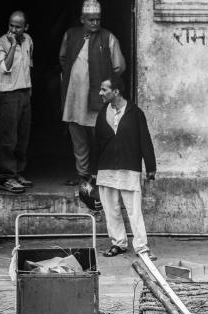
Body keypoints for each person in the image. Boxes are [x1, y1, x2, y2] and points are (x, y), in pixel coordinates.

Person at [60, 0, 125, 187]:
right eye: (91, 20)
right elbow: (63, 59)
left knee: (101, 137)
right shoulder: (70, 35)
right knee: (78, 136)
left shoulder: (108, 37)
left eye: (98, 19)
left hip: (98, 98)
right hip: (74, 98)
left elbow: (119, 67)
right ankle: (82, 174)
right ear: (82, 19)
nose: (95, 23)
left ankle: (99, 175)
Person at [93, 75, 157, 260]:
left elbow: (145, 140)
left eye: (104, 89)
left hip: (129, 168)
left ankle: (141, 247)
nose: (100, 93)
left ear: (116, 91)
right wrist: (92, 171)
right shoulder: (102, 113)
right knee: (110, 209)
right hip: (106, 169)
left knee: (134, 209)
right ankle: (118, 243)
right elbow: (96, 143)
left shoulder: (135, 113)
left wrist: (150, 166)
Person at [0, 11, 33, 194]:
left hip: (24, 94)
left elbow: (28, 66)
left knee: (22, 138)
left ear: (26, 27)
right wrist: (13, 45)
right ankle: (5, 177)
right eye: (11, 25)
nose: (13, 29)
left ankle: (17, 173)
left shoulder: (29, 40)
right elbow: (5, 67)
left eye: (18, 26)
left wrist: (29, 90)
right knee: (7, 139)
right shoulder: (0, 44)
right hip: (8, 96)